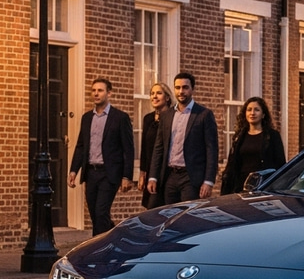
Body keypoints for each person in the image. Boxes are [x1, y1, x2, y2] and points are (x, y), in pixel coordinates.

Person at [68, 78, 134, 236]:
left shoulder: (120, 117)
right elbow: (80, 146)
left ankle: (98, 249)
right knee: (94, 213)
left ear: (109, 93)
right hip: (91, 172)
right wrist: (73, 171)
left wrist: (127, 176)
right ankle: (113, 236)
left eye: (100, 90)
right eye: (94, 90)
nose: (96, 94)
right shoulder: (86, 118)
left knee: (100, 211)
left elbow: (128, 149)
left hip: (109, 173)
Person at [147, 72, 219, 204]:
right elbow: (159, 148)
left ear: (192, 89)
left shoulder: (204, 114)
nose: (181, 91)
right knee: (169, 215)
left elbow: (212, 150)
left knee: (188, 218)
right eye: (178, 88)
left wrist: (208, 181)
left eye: (185, 87)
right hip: (170, 175)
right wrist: (153, 177)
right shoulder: (167, 115)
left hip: (191, 177)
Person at [221, 96, 286, 194]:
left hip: (263, 185)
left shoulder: (272, 135)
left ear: (263, 114)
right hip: (241, 186)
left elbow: (280, 163)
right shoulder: (239, 136)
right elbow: (232, 164)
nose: (252, 113)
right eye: (249, 110)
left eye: (257, 110)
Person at [138, 81, 173, 209]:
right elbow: (144, 148)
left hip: (167, 171)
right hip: (151, 171)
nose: (154, 96)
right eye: (152, 94)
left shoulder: (173, 117)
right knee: (151, 208)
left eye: (159, 93)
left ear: (167, 97)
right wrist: (142, 173)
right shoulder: (148, 119)